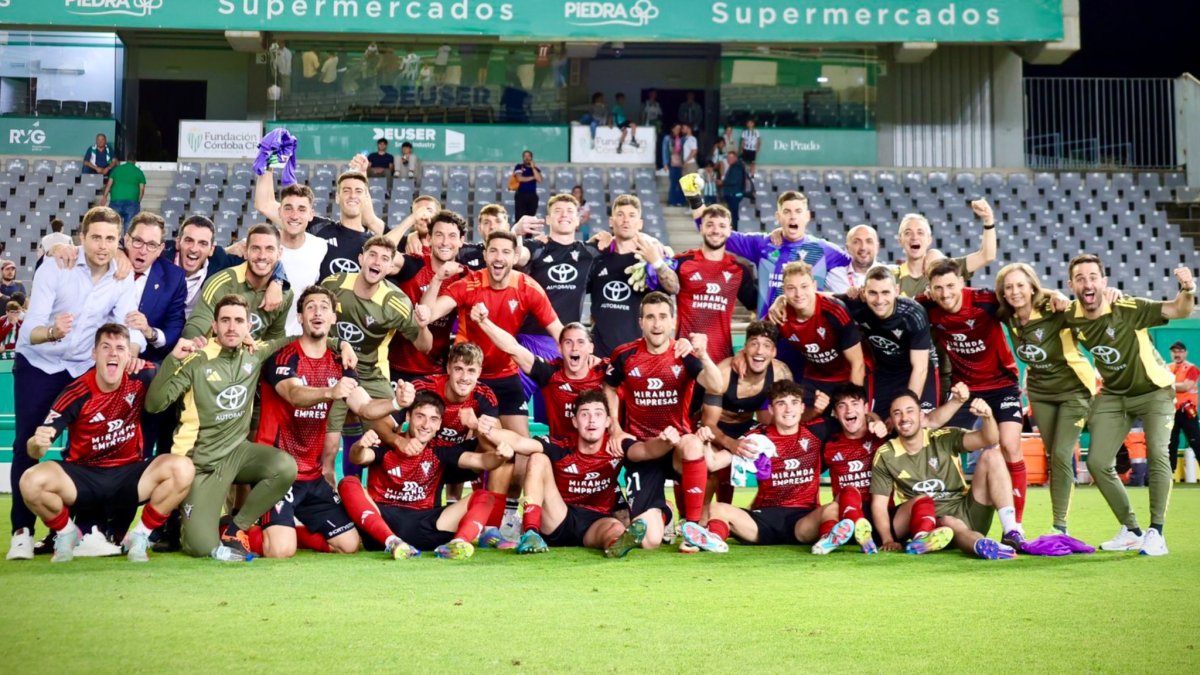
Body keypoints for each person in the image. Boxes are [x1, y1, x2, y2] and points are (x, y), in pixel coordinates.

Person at [145, 295, 333, 560]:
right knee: (201, 548)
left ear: (248, 328)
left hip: (237, 454)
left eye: (238, 321)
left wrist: (342, 344)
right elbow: (154, 405)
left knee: (284, 467)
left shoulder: (253, 355)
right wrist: (173, 360)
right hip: (201, 463)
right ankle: (193, 522)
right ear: (214, 326)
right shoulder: (197, 359)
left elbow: (299, 340)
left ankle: (236, 527)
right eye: (225, 321)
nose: (232, 327)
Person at [7, 207, 146, 561]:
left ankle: (80, 532)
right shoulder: (57, 265)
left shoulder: (122, 274)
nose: (102, 245)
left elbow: (126, 327)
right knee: (29, 441)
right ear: (81, 238)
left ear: (120, 242)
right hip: (41, 363)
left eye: (110, 239)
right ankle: (21, 531)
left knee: (87, 449)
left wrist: (129, 350)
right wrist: (54, 330)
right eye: (96, 237)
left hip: (82, 367)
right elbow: (31, 329)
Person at [250, 286, 407, 558]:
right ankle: (233, 528)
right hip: (277, 472)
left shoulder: (339, 361)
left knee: (348, 545)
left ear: (333, 318)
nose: (317, 312)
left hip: (311, 476)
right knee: (279, 551)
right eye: (310, 307)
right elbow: (294, 394)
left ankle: (288, 529)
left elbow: (366, 408)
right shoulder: (285, 357)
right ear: (300, 317)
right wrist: (329, 392)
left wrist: (397, 403)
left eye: (324, 307)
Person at [18, 324, 194, 563]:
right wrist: (37, 444)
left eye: (120, 348)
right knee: (30, 480)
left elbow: (170, 375)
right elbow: (35, 448)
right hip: (83, 478)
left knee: (183, 468)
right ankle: (66, 533)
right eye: (106, 347)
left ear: (129, 355)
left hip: (129, 475)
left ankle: (140, 536)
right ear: (94, 354)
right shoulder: (76, 392)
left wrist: (178, 354)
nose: (113, 353)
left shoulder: (143, 376)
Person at [1065, 255, 1195, 556]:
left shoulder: (1127, 307)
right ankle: (1132, 530)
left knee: (1157, 453)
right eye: (1080, 278)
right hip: (1114, 394)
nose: (1088, 283)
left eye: (1093, 276)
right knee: (1097, 462)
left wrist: (1188, 288)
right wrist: (1055, 300)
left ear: (1104, 281)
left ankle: (1157, 532)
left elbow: (1179, 309)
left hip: (1155, 391)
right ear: (1072, 284)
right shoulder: (1070, 314)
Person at [915, 258, 1028, 536]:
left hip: (1001, 384)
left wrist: (1057, 295)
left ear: (962, 283)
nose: (945, 294)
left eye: (951, 286)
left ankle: (1015, 525)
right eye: (938, 288)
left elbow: (1026, 297)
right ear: (930, 288)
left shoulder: (985, 301)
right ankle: (939, 512)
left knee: (1010, 445)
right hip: (964, 389)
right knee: (935, 439)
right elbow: (891, 301)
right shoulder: (926, 306)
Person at [603, 292, 724, 553]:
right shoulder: (624, 355)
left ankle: (692, 529)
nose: (656, 324)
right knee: (649, 541)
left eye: (662, 317)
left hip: (676, 447)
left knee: (692, 444)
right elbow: (609, 387)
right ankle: (666, 511)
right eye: (650, 317)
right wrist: (614, 425)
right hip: (643, 450)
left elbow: (717, 385)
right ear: (641, 323)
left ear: (673, 322)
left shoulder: (685, 354)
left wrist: (703, 355)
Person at [335, 392, 509, 560]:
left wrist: (500, 456)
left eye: (433, 419)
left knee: (484, 497)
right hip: (383, 523)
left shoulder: (439, 452)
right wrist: (359, 446)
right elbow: (358, 457)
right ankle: (393, 542)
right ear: (408, 417)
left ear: (439, 424)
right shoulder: (388, 445)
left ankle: (458, 543)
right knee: (349, 483)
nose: (426, 425)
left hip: (427, 527)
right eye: (420, 416)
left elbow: (483, 462)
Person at [422, 230, 561, 437]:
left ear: (515, 257)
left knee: (521, 446)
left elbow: (559, 331)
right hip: (468, 375)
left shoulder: (528, 288)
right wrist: (437, 279)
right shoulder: (469, 285)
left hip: (506, 373)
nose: (499, 257)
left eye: (506, 252)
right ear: (485, 255)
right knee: (475, 440)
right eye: (493, 251)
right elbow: (429, 314)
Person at [697, 380, 856, 554]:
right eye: (781, 403)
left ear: (802, 408)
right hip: (762, 520)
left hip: (803, 520)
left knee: (833, 508)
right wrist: (705, 442)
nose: (789, 410)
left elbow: (855, 420)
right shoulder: (757, 437)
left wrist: (874, 421)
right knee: (717, 508)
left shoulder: (818, 431)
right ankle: (714, 540)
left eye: (794, 403)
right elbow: (713, 463)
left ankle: (827, 540)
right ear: (771, 409)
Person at [481, 390, 646, 557]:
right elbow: (519, 442)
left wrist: (667, 442)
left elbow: (646, 451)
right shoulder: (561, 445)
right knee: (538, 458)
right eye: (584, 414)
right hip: (558, 517)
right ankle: (531, 533)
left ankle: (615, 545)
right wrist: (483, 428)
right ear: (574, 421)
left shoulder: (616, 446)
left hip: (595, 522)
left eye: (598, 414)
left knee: (616, 528)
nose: (591, 420)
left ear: (607, 422)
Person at [996, 263, 1096, 535]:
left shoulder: (1054, 310)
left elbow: (1087, 309)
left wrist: (1058, 295)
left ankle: (1060, 527)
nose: (1015, 292)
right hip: (1041, 392)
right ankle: (1057, 525)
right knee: (1053, 456)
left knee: (1063, 455)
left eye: (1020, 285)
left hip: (1074, 389)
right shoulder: (1009, 317)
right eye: (1009, 287)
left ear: (1032, 287)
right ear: (1003, 293)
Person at [321, 236, 431, 469]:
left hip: (371, 372)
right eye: (372, 255)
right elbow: (313, 322)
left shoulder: (396, 302)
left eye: (384, 259)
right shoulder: (333, 284)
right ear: (361, 259)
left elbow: (424, 346)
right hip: (331, 366)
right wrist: (337, 344)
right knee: (327, 445)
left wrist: (422, 326)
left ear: (391, 267)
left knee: (389, 431)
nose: (377, 262)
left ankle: (385, 494)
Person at [871, 390, 1021, 559]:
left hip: (968, 510)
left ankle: (1011, 531)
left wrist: (987, 417)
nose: (904, 418)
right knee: (950, 523)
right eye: (897, 413)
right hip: (932, 523)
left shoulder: (943, 437)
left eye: (910, 411)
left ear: (921, 415)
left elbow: (989, 439)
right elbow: (879, 504)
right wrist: (888, 539)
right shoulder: (886, 454)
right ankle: (983, 546)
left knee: (992, 455)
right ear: (890, 420)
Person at [681, 186, 852, 315]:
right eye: (787, 212)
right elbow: (715, 232)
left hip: (808, 336)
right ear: (778, 217)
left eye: (798, 211)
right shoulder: (763, 244)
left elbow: (858, 263)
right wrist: (695, 198)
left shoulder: (824, 250)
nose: (793, 216)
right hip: (768, 334)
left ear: (807, 216)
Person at [700, 321, 793, 504]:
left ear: (774, 352)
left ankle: (770, 508)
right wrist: (731, 443)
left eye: (766, 345)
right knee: (709, 469)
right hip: (717, 427)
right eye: (754, 344)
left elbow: (790, 412)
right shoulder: (724, 372)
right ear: (745, 348)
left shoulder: (780, 372)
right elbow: (708, 424)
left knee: (781, 450)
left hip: (746, 426)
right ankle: (697, 519)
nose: (759, 351)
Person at [472, 317, 606, 441]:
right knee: (534, 456)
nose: (574, 348)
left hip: (599, 451)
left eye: (581, 342)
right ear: (559, 348)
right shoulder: (549, 372)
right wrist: (484, 321)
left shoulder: (606, 372)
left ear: (591, 348)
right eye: (568, 342)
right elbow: (512, 348)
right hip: (561, 451)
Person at [587, 195, 679, 357]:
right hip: (599, 355)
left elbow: (674, 287)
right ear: (611, 221)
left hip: (638, 356)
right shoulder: (598, 257)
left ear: (640, 223)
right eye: (620, 214)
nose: (625, 220)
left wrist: (657, 262)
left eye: (631, 215)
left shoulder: (651, 257)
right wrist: (589, 246)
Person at [837, 266, 936, 417]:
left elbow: (920, 368)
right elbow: (819, 299)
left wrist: (907, 407)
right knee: (880, 425)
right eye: (873, 293)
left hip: (918, 369)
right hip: (884, 372)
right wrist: (786, 298)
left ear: (896, 291)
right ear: (863, 292)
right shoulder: (856, 306)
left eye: (885, 292)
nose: (879, 300)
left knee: (916, 422)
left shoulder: (912, 314)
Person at [388, 210, 470, 383]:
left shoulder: (464, 277)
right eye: (439, 235)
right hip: (396, 366)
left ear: (462, 241)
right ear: (430, 238)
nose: (445, 242)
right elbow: (380, 252)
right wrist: (411, 220)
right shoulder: (414, 264)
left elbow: (428, 314)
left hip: (435, 370)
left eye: (452, 236)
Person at [673, 203, 756, 364]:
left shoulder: (739, 270)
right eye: (710, 225)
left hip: (721, 359)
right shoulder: (682, 262)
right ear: (701, 228)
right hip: (684, 357)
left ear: (729, 230)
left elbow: (757, 308)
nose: (716, 230)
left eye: (722, 226)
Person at [182, 224, 291, 344]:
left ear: (279, 253)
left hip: (254, 359)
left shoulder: (285, 294)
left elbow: (274, 339)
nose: (262, 256)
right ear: (245, 251)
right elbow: (197, 325)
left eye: (269, 249)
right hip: (218, 357)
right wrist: (193, 344)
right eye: (255, 248)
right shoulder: (220, 283)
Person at [772, 261, 865, 400]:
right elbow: (758, 341)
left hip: (847, 376)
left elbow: (858, 363)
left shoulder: (835, 310)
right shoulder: (779, 314)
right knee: (798, 417)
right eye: (791, 288)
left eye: (804, 286)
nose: (798, 294)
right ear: (784, 290)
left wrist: (851, 402)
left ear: (814, 286)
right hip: (814, 378)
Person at [252, 176, 328, 336]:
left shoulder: (320, 246)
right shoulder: (262, 244)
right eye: (288, 208)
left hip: (297, 340)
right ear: (279, 212)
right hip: (260, 339)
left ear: (311, 215)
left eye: (301, 209)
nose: (294, 215)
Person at [823, 384, 890, 554]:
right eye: (841, 405)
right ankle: (843, 534)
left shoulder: (882, 437)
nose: (848, 410)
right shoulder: (829, 444)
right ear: (836, 414)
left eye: (854, 403)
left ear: (866, 408)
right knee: (848, 492)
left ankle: (922, 536)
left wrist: (877, 422)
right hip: (846, 519)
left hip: (884, 516)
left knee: (920, 501)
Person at [893, 204, 997, 298]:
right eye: (908, 233)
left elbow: (987, 255)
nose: (914, 237)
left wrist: (988, 220)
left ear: (929, 240)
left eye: (920, 232)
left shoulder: (948, 268)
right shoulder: (891, 277)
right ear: (900, 240)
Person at [122, 213, 186, 365]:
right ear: (126, 240)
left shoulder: (173, 278)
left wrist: (149, 332)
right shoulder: (110, 262)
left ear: (160, 249)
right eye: (138, 241)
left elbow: (174, 326)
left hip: (145, 360)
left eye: (151, 245)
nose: (143, 251)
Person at [1167, 341, 1200, 475]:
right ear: (1171, 353)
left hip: (1187, 411)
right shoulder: (1167, 367)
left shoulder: (1192, 368)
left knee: (1196, 442)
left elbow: (1186, 386)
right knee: (1170, 444)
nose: (1177, 354)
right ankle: (1169, 474)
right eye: (1175, 351)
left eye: (1180, 351)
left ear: (1185, 353)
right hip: (1170, 411)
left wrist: (1167, 384)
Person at [101, 154, 146, 230]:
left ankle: (113, 241)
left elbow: (109, 184)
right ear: (135, 161)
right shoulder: (139, 172)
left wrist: (104, 197)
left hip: (116, 200)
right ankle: (126, 241)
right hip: (132, 202)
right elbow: (142, 189)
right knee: (128, 226)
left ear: (126, 159)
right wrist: (138, 202)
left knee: (113, 225)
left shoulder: (116, 169)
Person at [511, 150, 543, 220]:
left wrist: (533, 168)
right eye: (525, 156)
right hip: (521, 195)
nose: (527, 158)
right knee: (520, 217)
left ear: (531, 157)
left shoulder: (535, 169)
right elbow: (520, 178)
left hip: (532, 195)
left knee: (531, 217)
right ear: (523, 158)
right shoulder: (519, 167)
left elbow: (540, 179)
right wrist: (533, 177)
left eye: (528, 156)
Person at [719, 152, 746, 231]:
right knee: (732, 214)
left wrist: (722, 182)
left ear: (735, 158)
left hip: (734, 194)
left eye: (731, 158)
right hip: (731, 194)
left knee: (734, 215)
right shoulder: (733, 167)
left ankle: (735, 231)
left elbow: (734, 181)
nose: (729, 159)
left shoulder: (737, 167)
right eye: (728, 158)